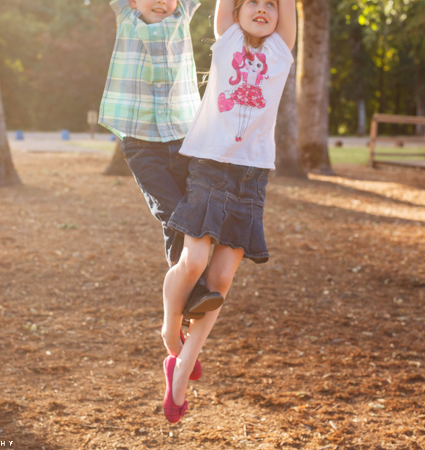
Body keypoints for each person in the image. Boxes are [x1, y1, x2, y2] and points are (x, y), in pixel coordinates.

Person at [160, 0, 296, 423]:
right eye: (251, 2)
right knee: (194, 260)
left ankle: (180, 370)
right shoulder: (228, 40)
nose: (262, 9)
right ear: (232, 13)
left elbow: (288, 7)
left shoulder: (281, 51)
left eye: (270, 5)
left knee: (220, 280)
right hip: (210, 167)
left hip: (251, 178)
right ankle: (169, 330)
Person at [98, 0, 227, 394]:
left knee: (191, 217)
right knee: (175, 216)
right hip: (141, 143)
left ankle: (186, 320)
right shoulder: (125, 15)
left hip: (185, 138)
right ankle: (187, 315)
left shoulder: (183, 14)